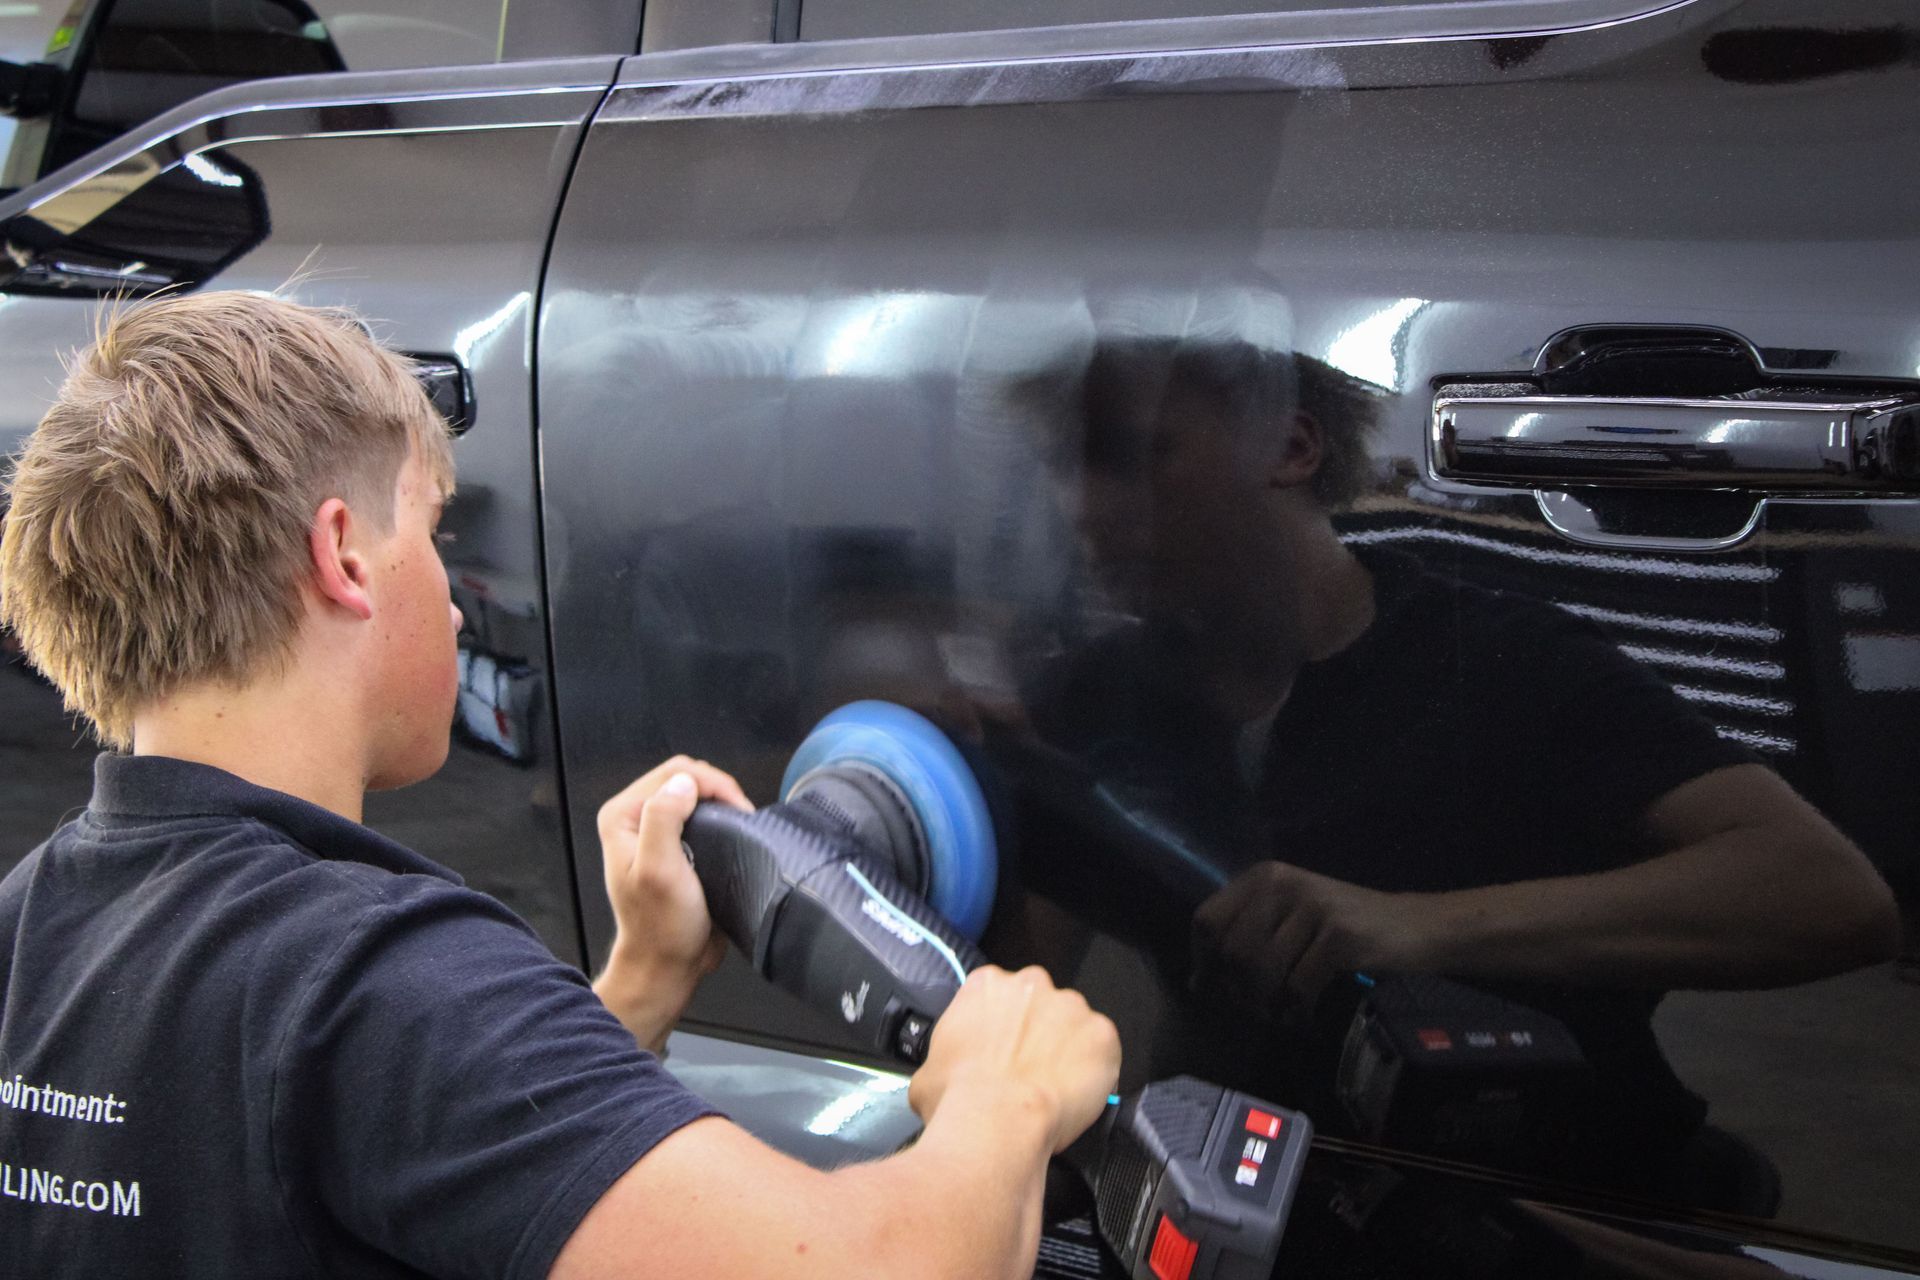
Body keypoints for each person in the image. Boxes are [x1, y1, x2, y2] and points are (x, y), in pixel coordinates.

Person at [0, 291, 1120, 1279]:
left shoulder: (29, 926)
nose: (451, 599)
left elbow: (423, 1146)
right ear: (342, 555)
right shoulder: (386, 982)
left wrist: (635, 986)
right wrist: (1005, 1090)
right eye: (431, 531)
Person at [1002, 327, 1898, 1204]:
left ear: (1291, 444)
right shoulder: (1093, 701)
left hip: (1565, 1211)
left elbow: (1827, 894)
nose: (1080, 506)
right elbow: (1003, 1004)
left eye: (1127, 456)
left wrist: (1411, 926)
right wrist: (949, 795)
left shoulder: (1496, 661)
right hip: (1263, 1211)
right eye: (1062, 466)